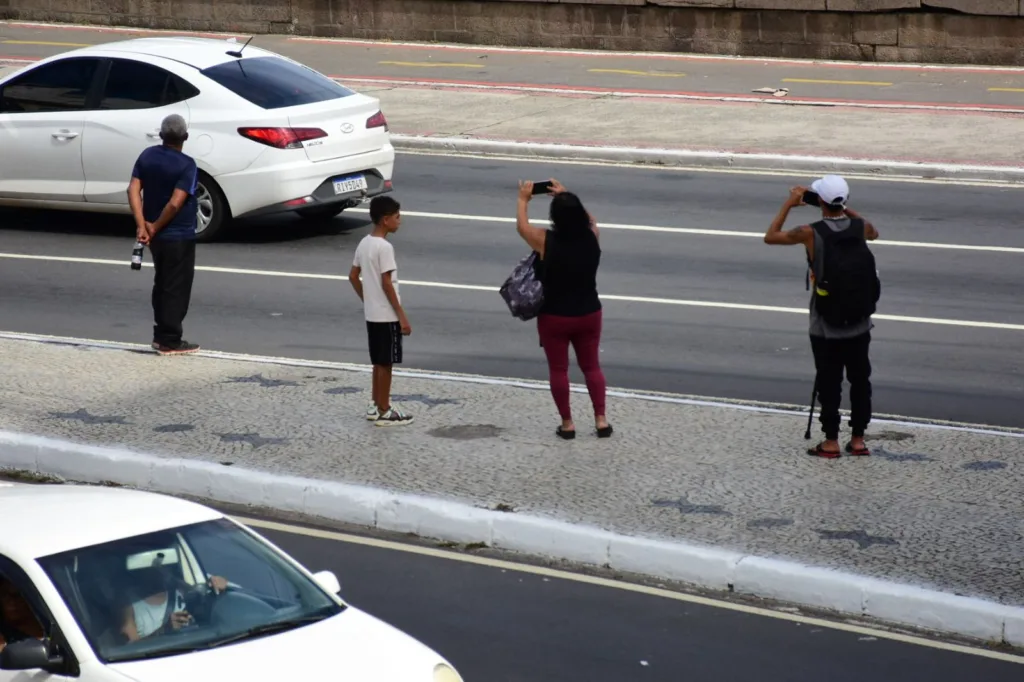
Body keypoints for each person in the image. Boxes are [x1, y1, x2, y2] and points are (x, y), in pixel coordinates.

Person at [764, 175, 880, 458]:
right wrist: (844, 208)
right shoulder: (860, 226)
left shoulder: (809, 231)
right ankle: (858, 440)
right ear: (845, 200)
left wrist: (790, 203)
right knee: (860, 380)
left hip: (824, 322)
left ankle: (830, 442)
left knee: (829, 380)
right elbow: (873, 232)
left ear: (819, 202)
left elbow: (770, 237)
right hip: (859, 320)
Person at [516, 178, 611, 440]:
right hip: (590, 312)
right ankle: (601, 420)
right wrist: (567, 193)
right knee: (592, 367)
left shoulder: (546, 241)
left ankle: (568, 424)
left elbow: (522, 228)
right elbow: (591, 220)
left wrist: (523, 200)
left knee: (559, 370)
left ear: (554, 218)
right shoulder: (592, 236)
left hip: (554, 315)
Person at [128, 113, 200, 356]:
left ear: (161, 135)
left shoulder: (147, 155)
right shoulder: (187, 165)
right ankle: (170, 339)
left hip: (154, 237)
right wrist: (156, 226)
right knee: (175, 287)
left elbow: (133, 188)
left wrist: (142, 225)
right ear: (185, 137)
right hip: (177, 234)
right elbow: (175, 204)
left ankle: (161, 335)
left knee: (162, 283)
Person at [349, 195, 414, 426]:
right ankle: (385, 409)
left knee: (378, 361)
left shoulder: (364, 243)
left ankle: (375, 404)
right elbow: (388, 283)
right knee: (386, 363)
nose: (400, 221)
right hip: (387, 315)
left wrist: (367, 299)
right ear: (385, 220)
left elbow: (353, 276)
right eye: (397, 217)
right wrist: (402, 317)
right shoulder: (385, 247)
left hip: (372, 314)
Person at [0, 576, 45, 652]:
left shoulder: (51, 624)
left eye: (17, 595)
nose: (11, 602)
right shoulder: (3, 635)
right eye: (4, 595)